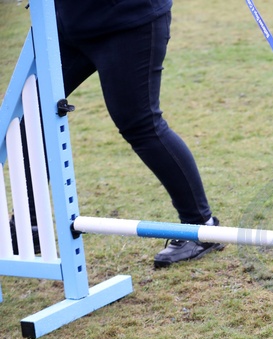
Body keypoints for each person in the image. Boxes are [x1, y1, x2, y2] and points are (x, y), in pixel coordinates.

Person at [49, 0, 224, 268]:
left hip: (129, 21)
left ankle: (200, 226)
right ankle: (30, 223)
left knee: (141, 126)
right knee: (27, 113)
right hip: (62, 23)